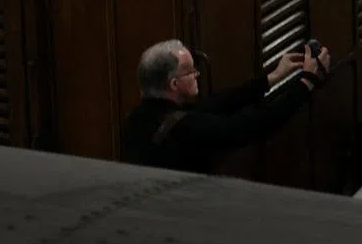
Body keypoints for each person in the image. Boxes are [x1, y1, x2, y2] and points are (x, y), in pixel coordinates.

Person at [121, 38, 329, 174]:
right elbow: (251, 125)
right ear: (174, 84)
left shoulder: (138, 118)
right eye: (190, 71)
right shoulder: (188, 128)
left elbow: (217, 104)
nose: (197, 74)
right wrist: (307, 82)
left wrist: (272, 78)